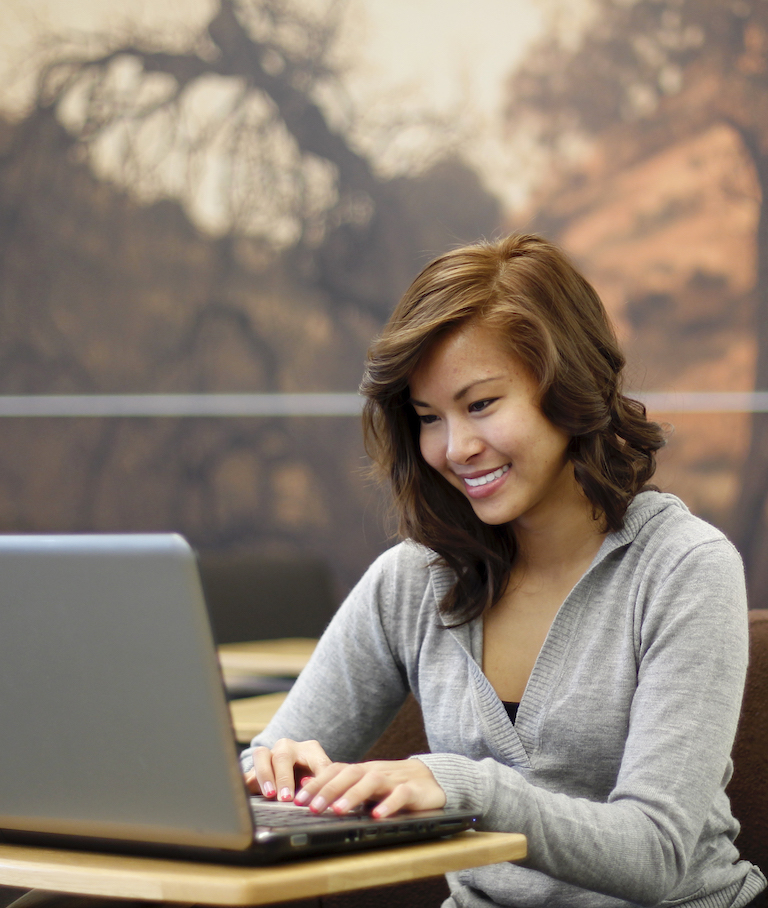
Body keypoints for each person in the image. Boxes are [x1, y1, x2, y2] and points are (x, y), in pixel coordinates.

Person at [240, 234, 766, 907]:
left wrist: (466, 787)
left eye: (481, 404)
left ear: (567, 387)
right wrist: (270, 767)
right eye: (430, 418)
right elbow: (261, 762)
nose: (455, 448)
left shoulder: (684, 570)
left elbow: (656, 852)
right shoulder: (411, 583)